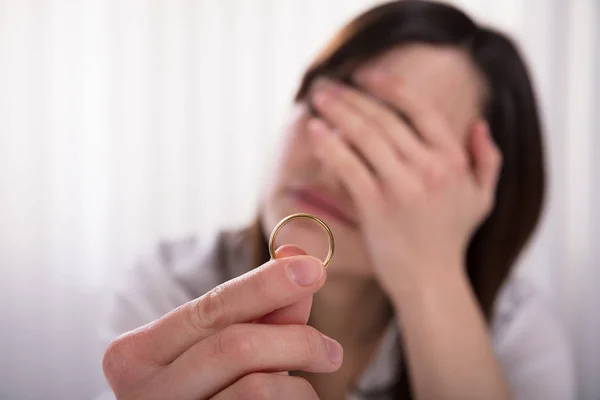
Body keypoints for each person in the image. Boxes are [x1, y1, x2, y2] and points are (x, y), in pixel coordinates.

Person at [99, 1, 575, 399]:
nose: (335, 162)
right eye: (330, 109)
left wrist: (429, 275)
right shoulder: (171, 289)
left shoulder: (516, 333)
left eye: (397, 145)